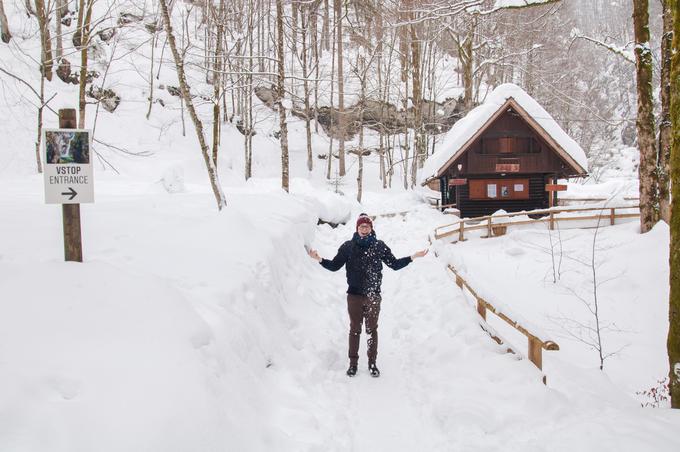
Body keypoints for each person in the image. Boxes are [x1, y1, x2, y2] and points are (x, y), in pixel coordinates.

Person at [307, 213, 428, 378]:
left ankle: (372, 363)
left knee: (371, 330)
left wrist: (413, 256)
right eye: (361, 226)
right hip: (354, 295)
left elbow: (394, 264)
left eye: (367, 226)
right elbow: (335, 266)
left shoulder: (379, 246)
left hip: (373, 296)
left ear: (371, 228)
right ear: (357, 228)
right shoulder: (348, 247)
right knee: (355, 330)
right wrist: (319, 259)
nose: (364, 229)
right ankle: (353, 364)